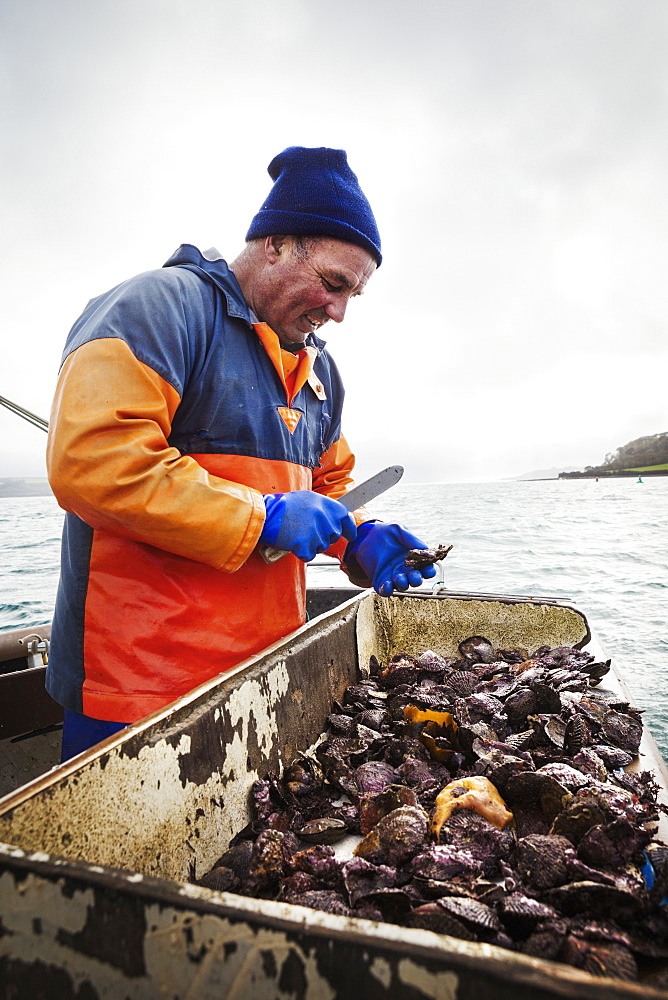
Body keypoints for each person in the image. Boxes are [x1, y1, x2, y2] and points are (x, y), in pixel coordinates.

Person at [46, 146, 436, 760]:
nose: (337, 312)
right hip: (137, 688)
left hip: (263, 677)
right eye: (333, 284)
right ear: (274, 242)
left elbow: (325, 491)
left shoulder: (320, 372)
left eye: (352, 297)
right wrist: (263, 517)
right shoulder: (158, 309)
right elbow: (98, 465)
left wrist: (357, 537)